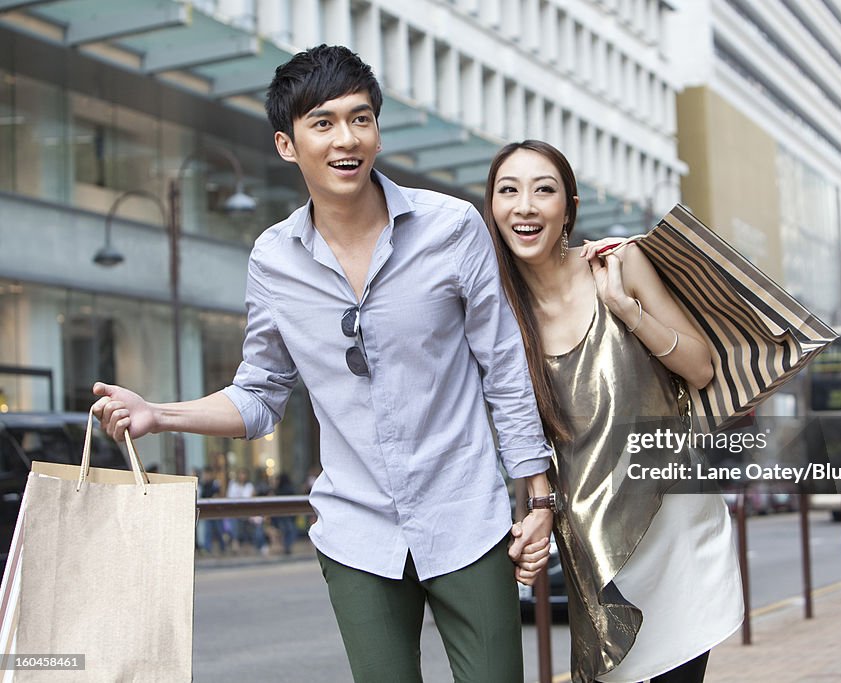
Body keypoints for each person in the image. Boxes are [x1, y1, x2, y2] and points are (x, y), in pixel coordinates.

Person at [92, 45, 555, 683]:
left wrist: (538, 491)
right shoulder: (273, 259)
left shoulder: (452, 227)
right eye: (324, 122)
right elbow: (259, 396)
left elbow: (503, 363)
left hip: (467, 517)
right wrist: (158, 414)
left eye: (361, 119)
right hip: (356, 532)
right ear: (288, 145)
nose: (348, 138)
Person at [487, 140, 744, 683]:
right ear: (493, 208)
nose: (525, 205)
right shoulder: (498, 308)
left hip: (671, 518)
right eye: (508, 191)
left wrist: (627, 311)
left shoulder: (619, 262)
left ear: (569, 206)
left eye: (543, 190)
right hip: (594, 538)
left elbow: (699, 368)